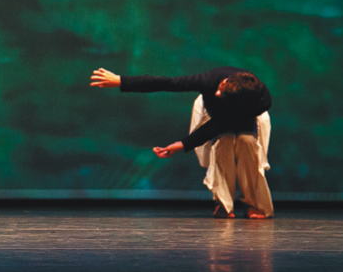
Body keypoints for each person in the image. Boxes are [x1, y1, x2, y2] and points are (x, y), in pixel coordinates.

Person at [90, 66, 274, 219]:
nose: (217, 93)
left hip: (241, 114)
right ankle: (223, 203)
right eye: (220, 88)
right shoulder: (210, 80)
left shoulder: (261, 101)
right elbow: (166, 83)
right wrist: (121, 80)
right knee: (223, 143)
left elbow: (222, 123)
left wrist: (183, 144)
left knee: (247, 143)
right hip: (213, 111)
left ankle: (253, 204)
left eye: (222, 94)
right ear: (224, 81)